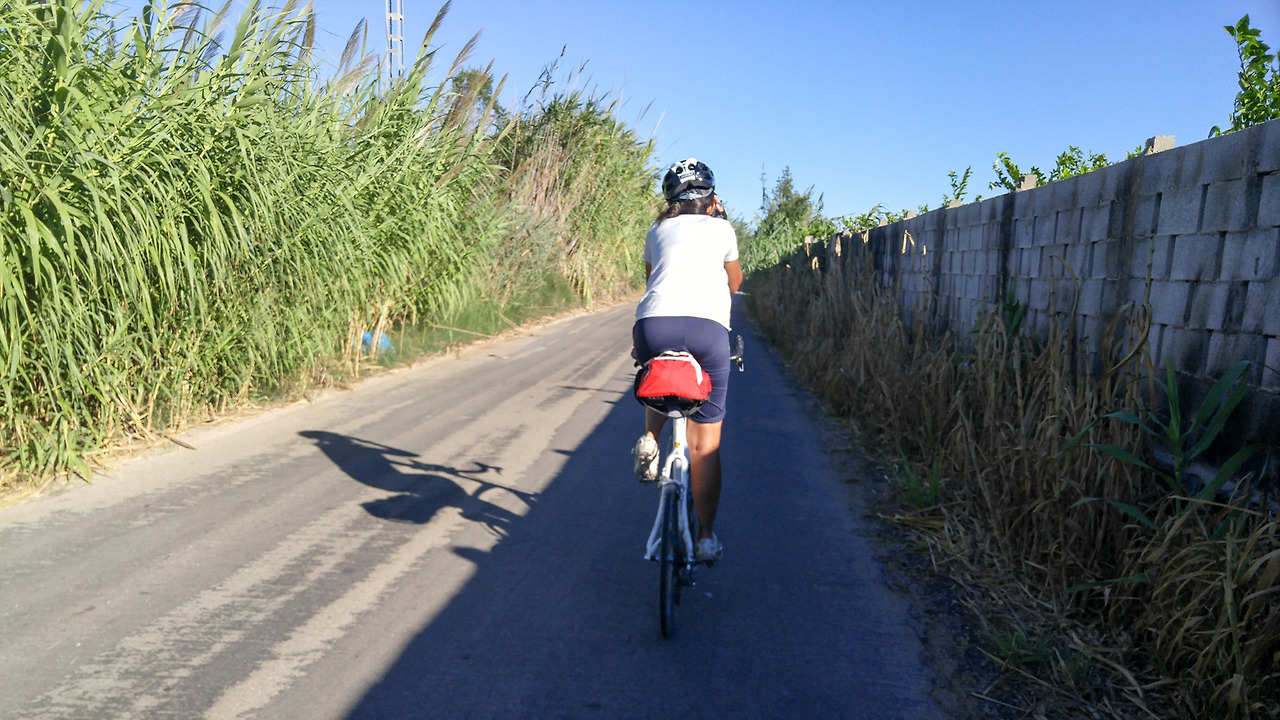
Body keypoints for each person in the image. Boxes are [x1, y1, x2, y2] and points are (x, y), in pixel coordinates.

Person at [631, 158, 743, 562]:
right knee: (704, 445)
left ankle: (650, 439)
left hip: (653, 326)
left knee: (660, 374)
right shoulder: (722, 229)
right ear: (711, 199)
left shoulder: (657, 229)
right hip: (706, 331)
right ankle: (706, 537)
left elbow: (652, 279)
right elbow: (735, 283)